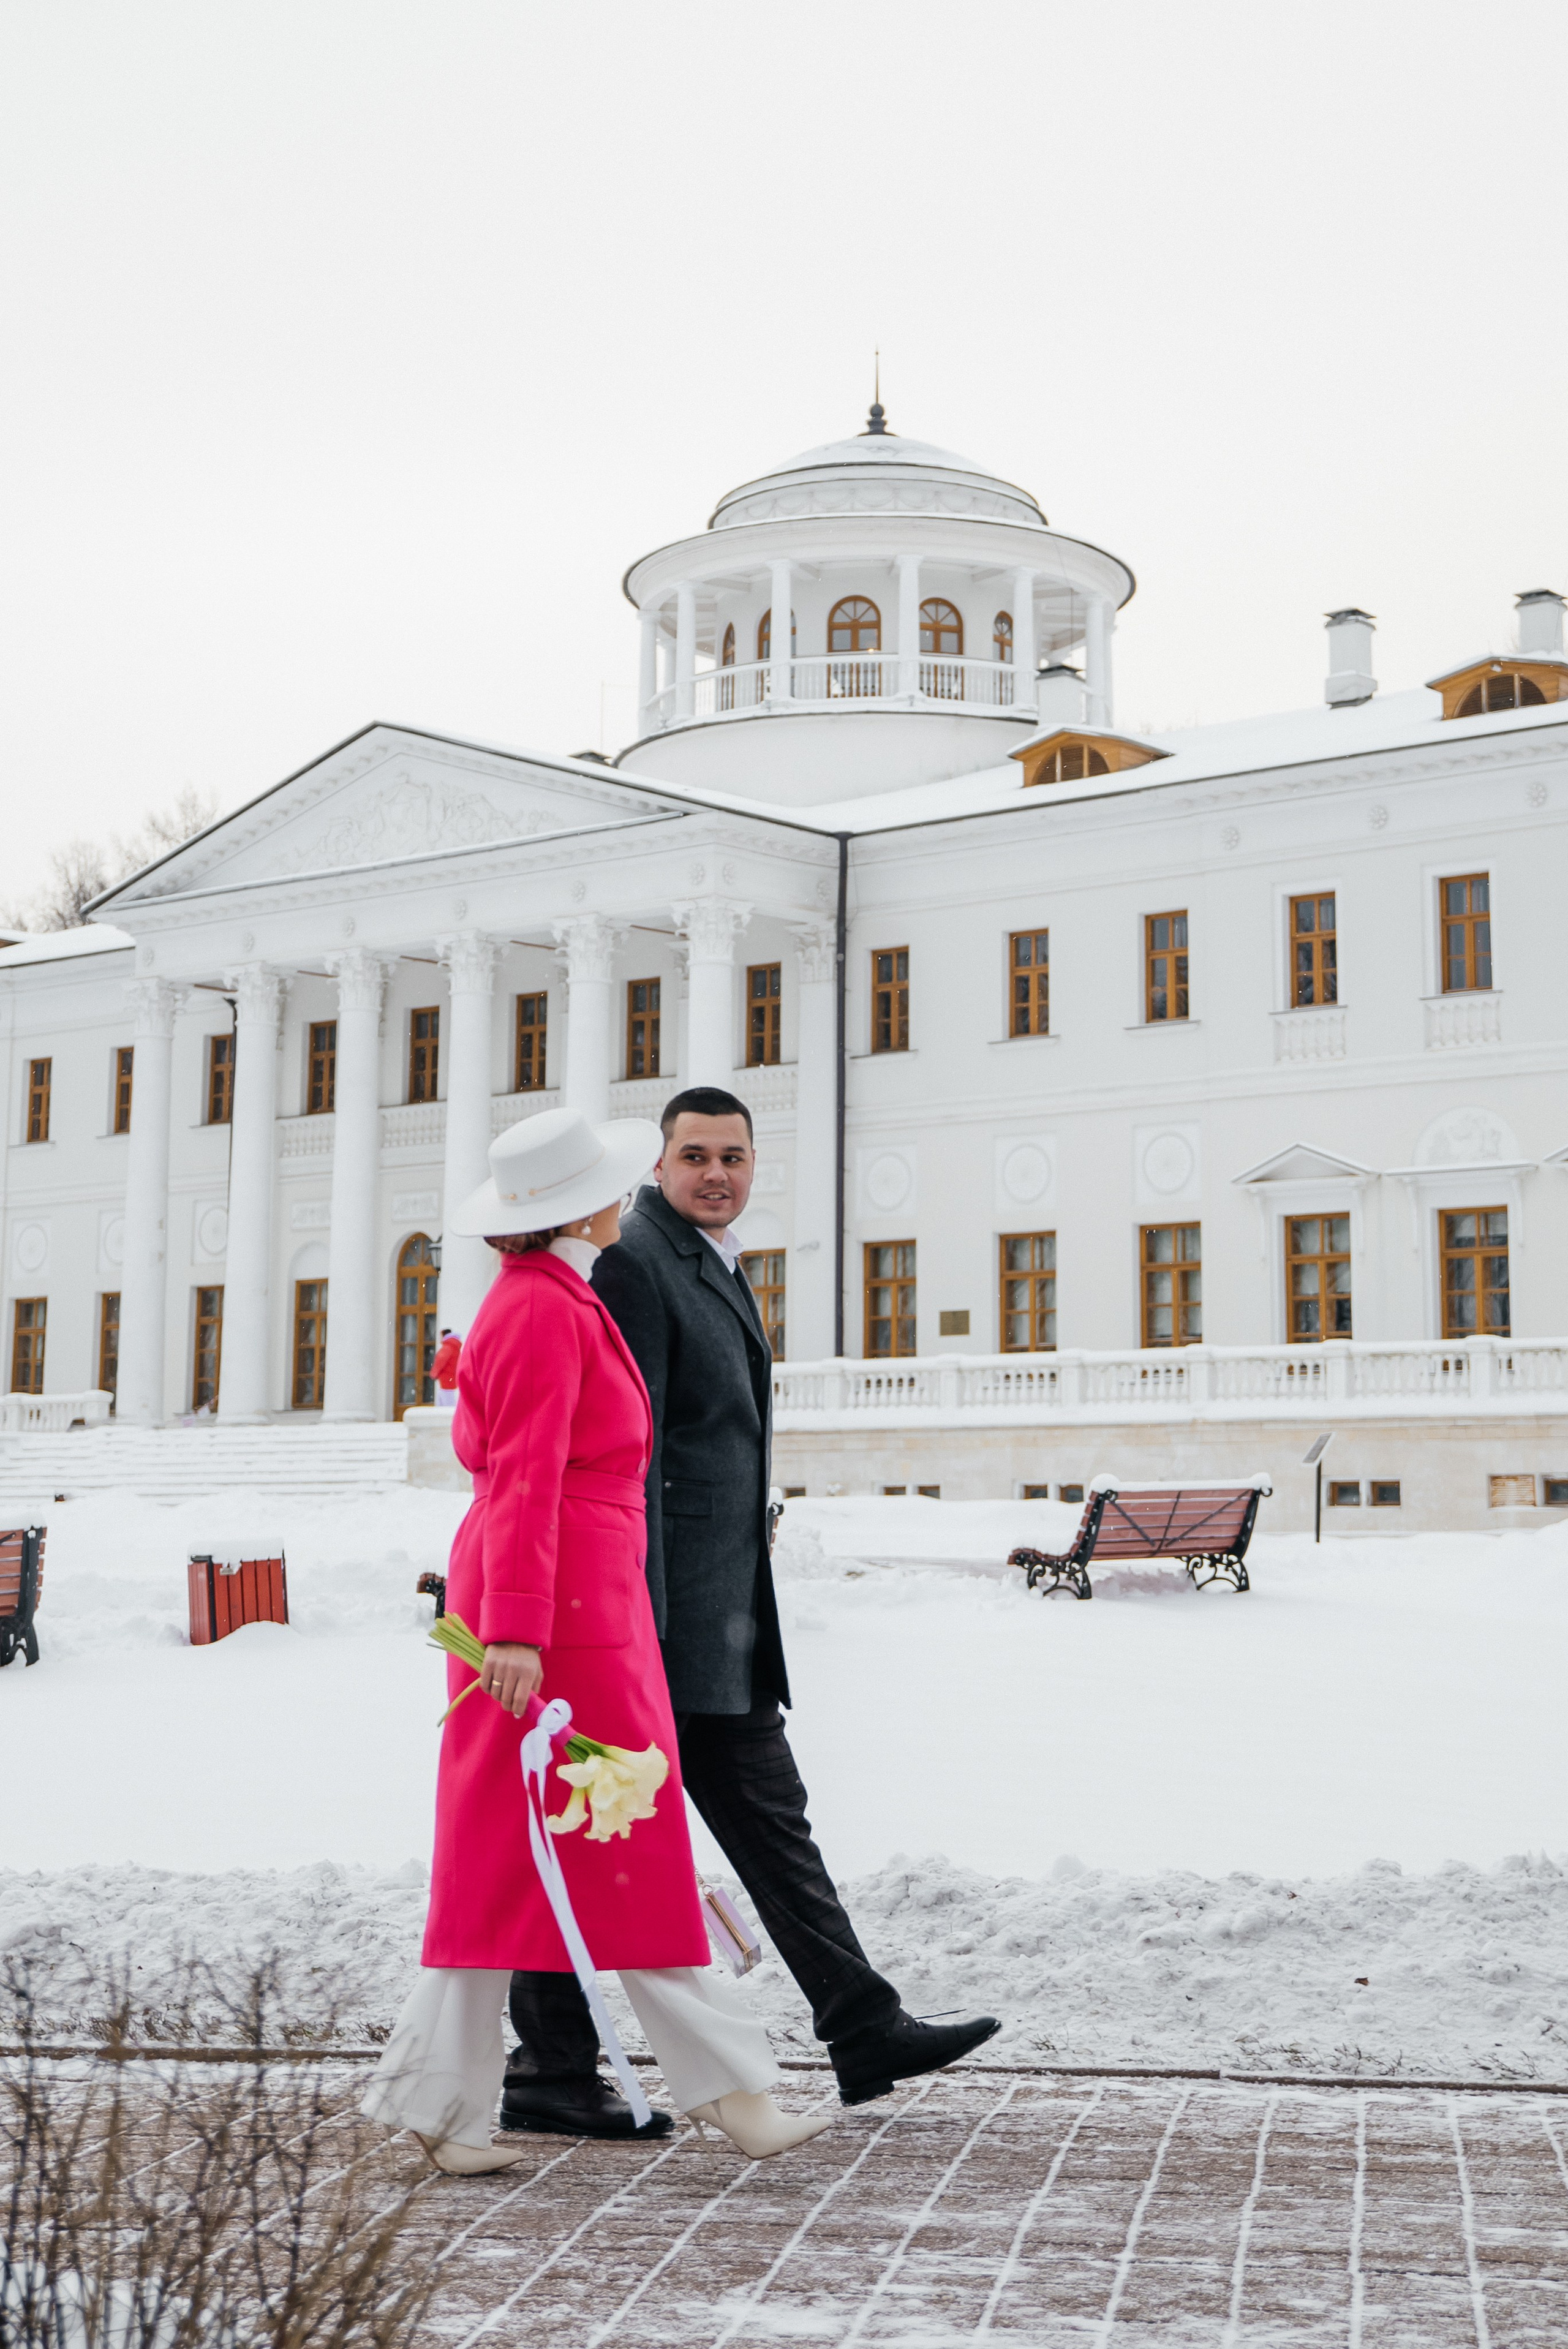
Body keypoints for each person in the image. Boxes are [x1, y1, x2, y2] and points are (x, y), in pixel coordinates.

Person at [502, 1085, 998, 2139]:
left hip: (718, 1617)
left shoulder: (708, 1263)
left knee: (757, 1825)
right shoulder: (639, 1264)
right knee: (604, 1836)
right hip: (663, 1621)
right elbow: (620, 1460)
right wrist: (635, 1622)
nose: (715, 1173)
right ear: (658, 1167)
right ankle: (548, 2066)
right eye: (694, 1156)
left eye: (733, 1155)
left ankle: (857, 2022)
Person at [362, 1106, 832, 2171]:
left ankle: (440, 2110)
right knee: (628, 1838)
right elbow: (526, 1477)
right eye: (613, 1187)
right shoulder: (541, 1309)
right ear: (584, 1206)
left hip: (571, 1599)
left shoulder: (549, 1298)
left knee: (513, 1856)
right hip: (557, 1613)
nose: (630, 1198)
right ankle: (736, 2094)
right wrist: (521, 1634)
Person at [431, 1325, 461, 1408]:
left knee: (445, 1406)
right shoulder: (455, 1347)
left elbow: (440, 1361)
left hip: (446, 1381)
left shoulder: (448, 1347)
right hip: (451, 1380)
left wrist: (434, 1374)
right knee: (449, 1403)